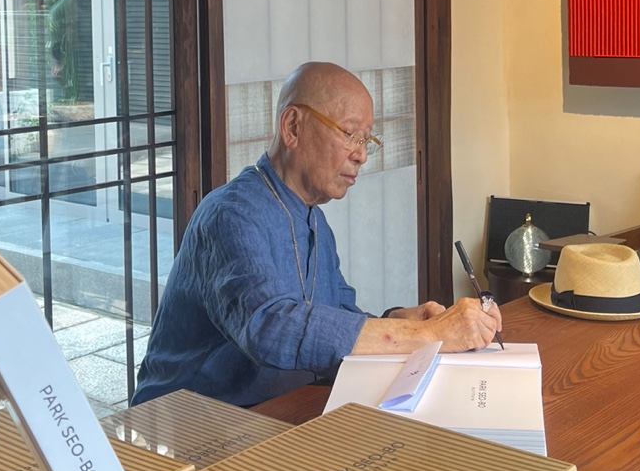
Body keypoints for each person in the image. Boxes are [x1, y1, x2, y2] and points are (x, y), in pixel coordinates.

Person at [133, 61, 502, 407]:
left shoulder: (315, 222)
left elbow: (340, 316)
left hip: (278, 412)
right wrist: (430, 335)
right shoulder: (231, 214)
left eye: (367, 140)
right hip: (190, 420)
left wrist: (404, 319)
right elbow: (269, 327)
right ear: (293, 127)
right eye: (350, 134)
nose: (361, 155)